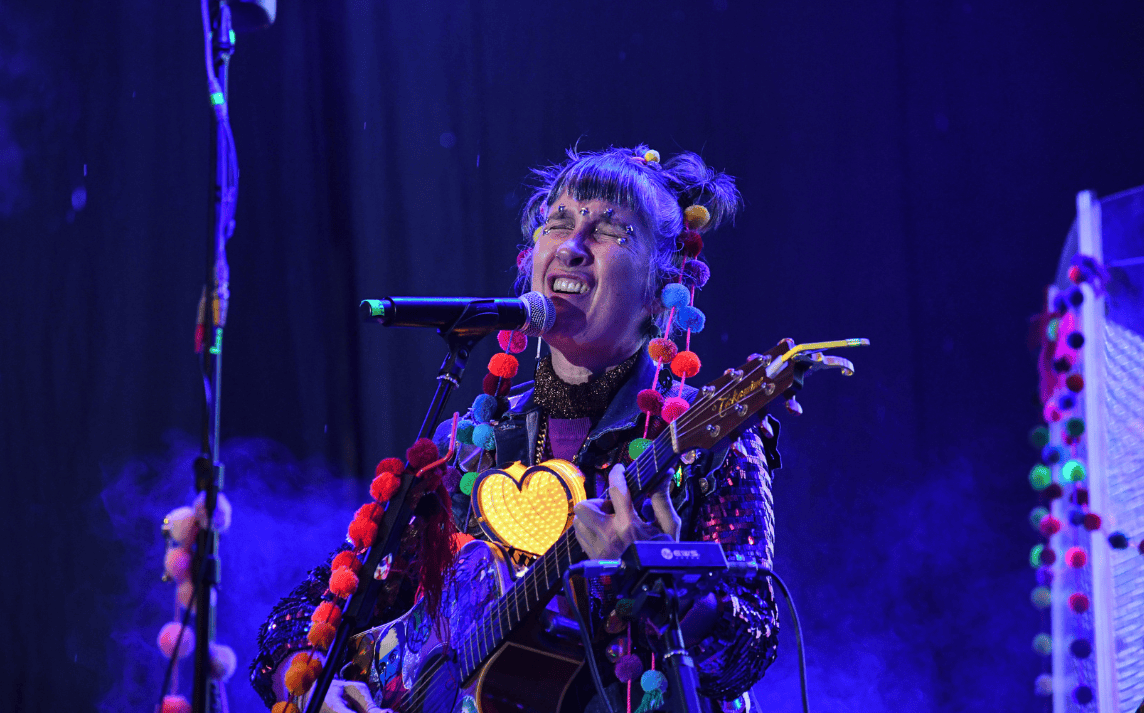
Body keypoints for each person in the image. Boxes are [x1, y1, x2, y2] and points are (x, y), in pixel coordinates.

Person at [251, 144, 780, 713]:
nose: (573, 247)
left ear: (661, 288)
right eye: (559, 223)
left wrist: (656, 577)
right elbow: (318, 604)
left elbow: (750, 645)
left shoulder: (703, 439)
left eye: (611, 231)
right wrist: (309, 685)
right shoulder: (471, 445)